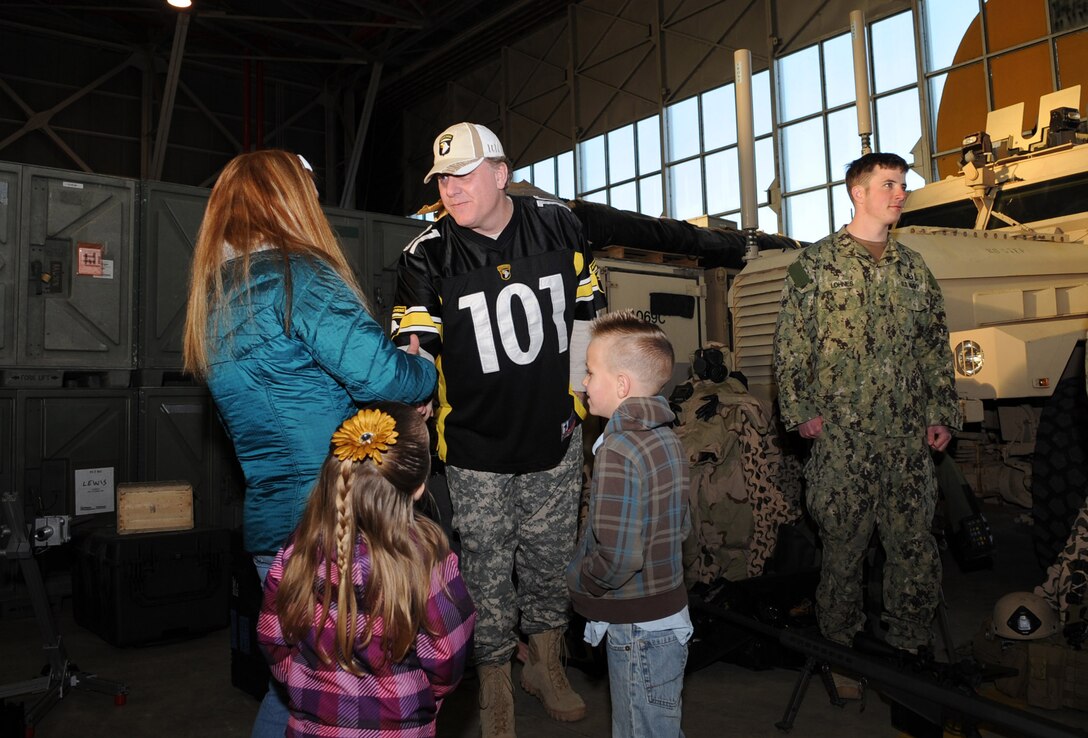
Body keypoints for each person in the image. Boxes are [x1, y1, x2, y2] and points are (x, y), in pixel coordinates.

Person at [182, 149, 437, 737]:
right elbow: (379, 376)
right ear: (288, 201)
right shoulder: (298, 277)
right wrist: (420, 371)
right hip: (336, 521)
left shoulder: (216, 297)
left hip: (272, 528)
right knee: (364, 687)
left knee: (298, 689)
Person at [391, 122, 606, 735]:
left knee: (548, 560)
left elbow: (588, 311)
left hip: (554, 436)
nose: (450, 191)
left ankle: (544, 664)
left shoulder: (558, 223)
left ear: (499, 173)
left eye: (462, 176)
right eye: (441, 180)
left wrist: (582, 396)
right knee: (483, 566)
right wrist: (411, 417)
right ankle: (493, 682)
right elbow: (415, 350)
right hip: (475, 446)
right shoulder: (426, 254)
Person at [773, 152, 962, 667]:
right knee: (843, 548)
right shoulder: (815, 265)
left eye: (902, 184)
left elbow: (933, 344)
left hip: (906, 437)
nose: (900, 194)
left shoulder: (913, 268)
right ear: (858, 192)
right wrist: (800, 410)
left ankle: (909, 647)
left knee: (913, 545)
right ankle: (840, 652)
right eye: (889, 184)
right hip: (842, 437)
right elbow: (792, 346)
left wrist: (940, 411)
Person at [257, 403, 476, 737]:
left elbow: (273, 638)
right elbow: (446, 659)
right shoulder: (428, 561)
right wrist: (416, 695)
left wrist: (308, 683)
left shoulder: (297, 550)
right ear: (418, 487)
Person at [567, 311, 691, 737]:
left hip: (637, 629)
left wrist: (582, 579)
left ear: (621, 385)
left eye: (590, 371)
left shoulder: (618, 448)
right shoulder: (668, 435)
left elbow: (618, 556)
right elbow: (683, 527)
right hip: (669, 616)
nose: (583, 382)